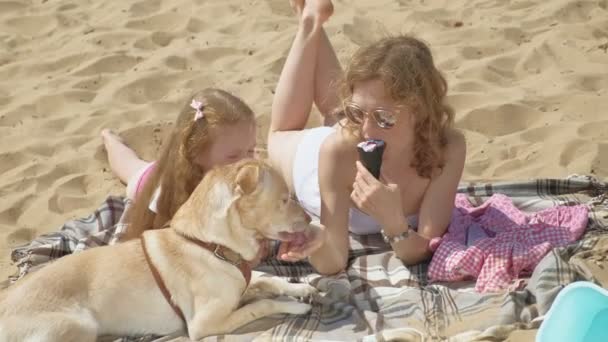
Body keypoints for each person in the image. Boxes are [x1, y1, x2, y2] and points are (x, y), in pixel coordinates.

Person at [267, 0, 466, 275]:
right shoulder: (338, 150)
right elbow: (334, 260)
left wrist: (393, 220)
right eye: (358, 112)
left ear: (421, 112)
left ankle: (313, 16)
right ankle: (310, 22)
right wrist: (316, 241)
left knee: (339, 113)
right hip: (313, 161)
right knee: (281, 132)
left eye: (385, 118)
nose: (368, 132)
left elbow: (422, 249)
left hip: (345, 139)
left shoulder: (448, 148)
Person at [102, 88, 257, 241]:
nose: (246, 162)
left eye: (251, 150)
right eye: (232, 156)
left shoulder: (244, 173)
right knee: (127, 165)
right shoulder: (168, 191)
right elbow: (164, 238)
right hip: (149, 178)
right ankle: (110, 139)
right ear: (196, 153)